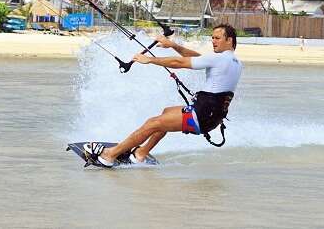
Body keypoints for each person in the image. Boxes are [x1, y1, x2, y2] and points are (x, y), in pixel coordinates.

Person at [84, 23, 242, 167]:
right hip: (210, 115)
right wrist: (173, 45)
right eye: (212, 38)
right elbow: (197, 58)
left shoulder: (219, 59)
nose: (213, 41)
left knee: (152, 124)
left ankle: (109, 155)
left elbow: (179, 63)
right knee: (166, 113)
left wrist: (150, 60)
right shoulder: (234, 61)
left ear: (229, 40)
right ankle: (140, 153)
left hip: (202, 115)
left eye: (217, 38)